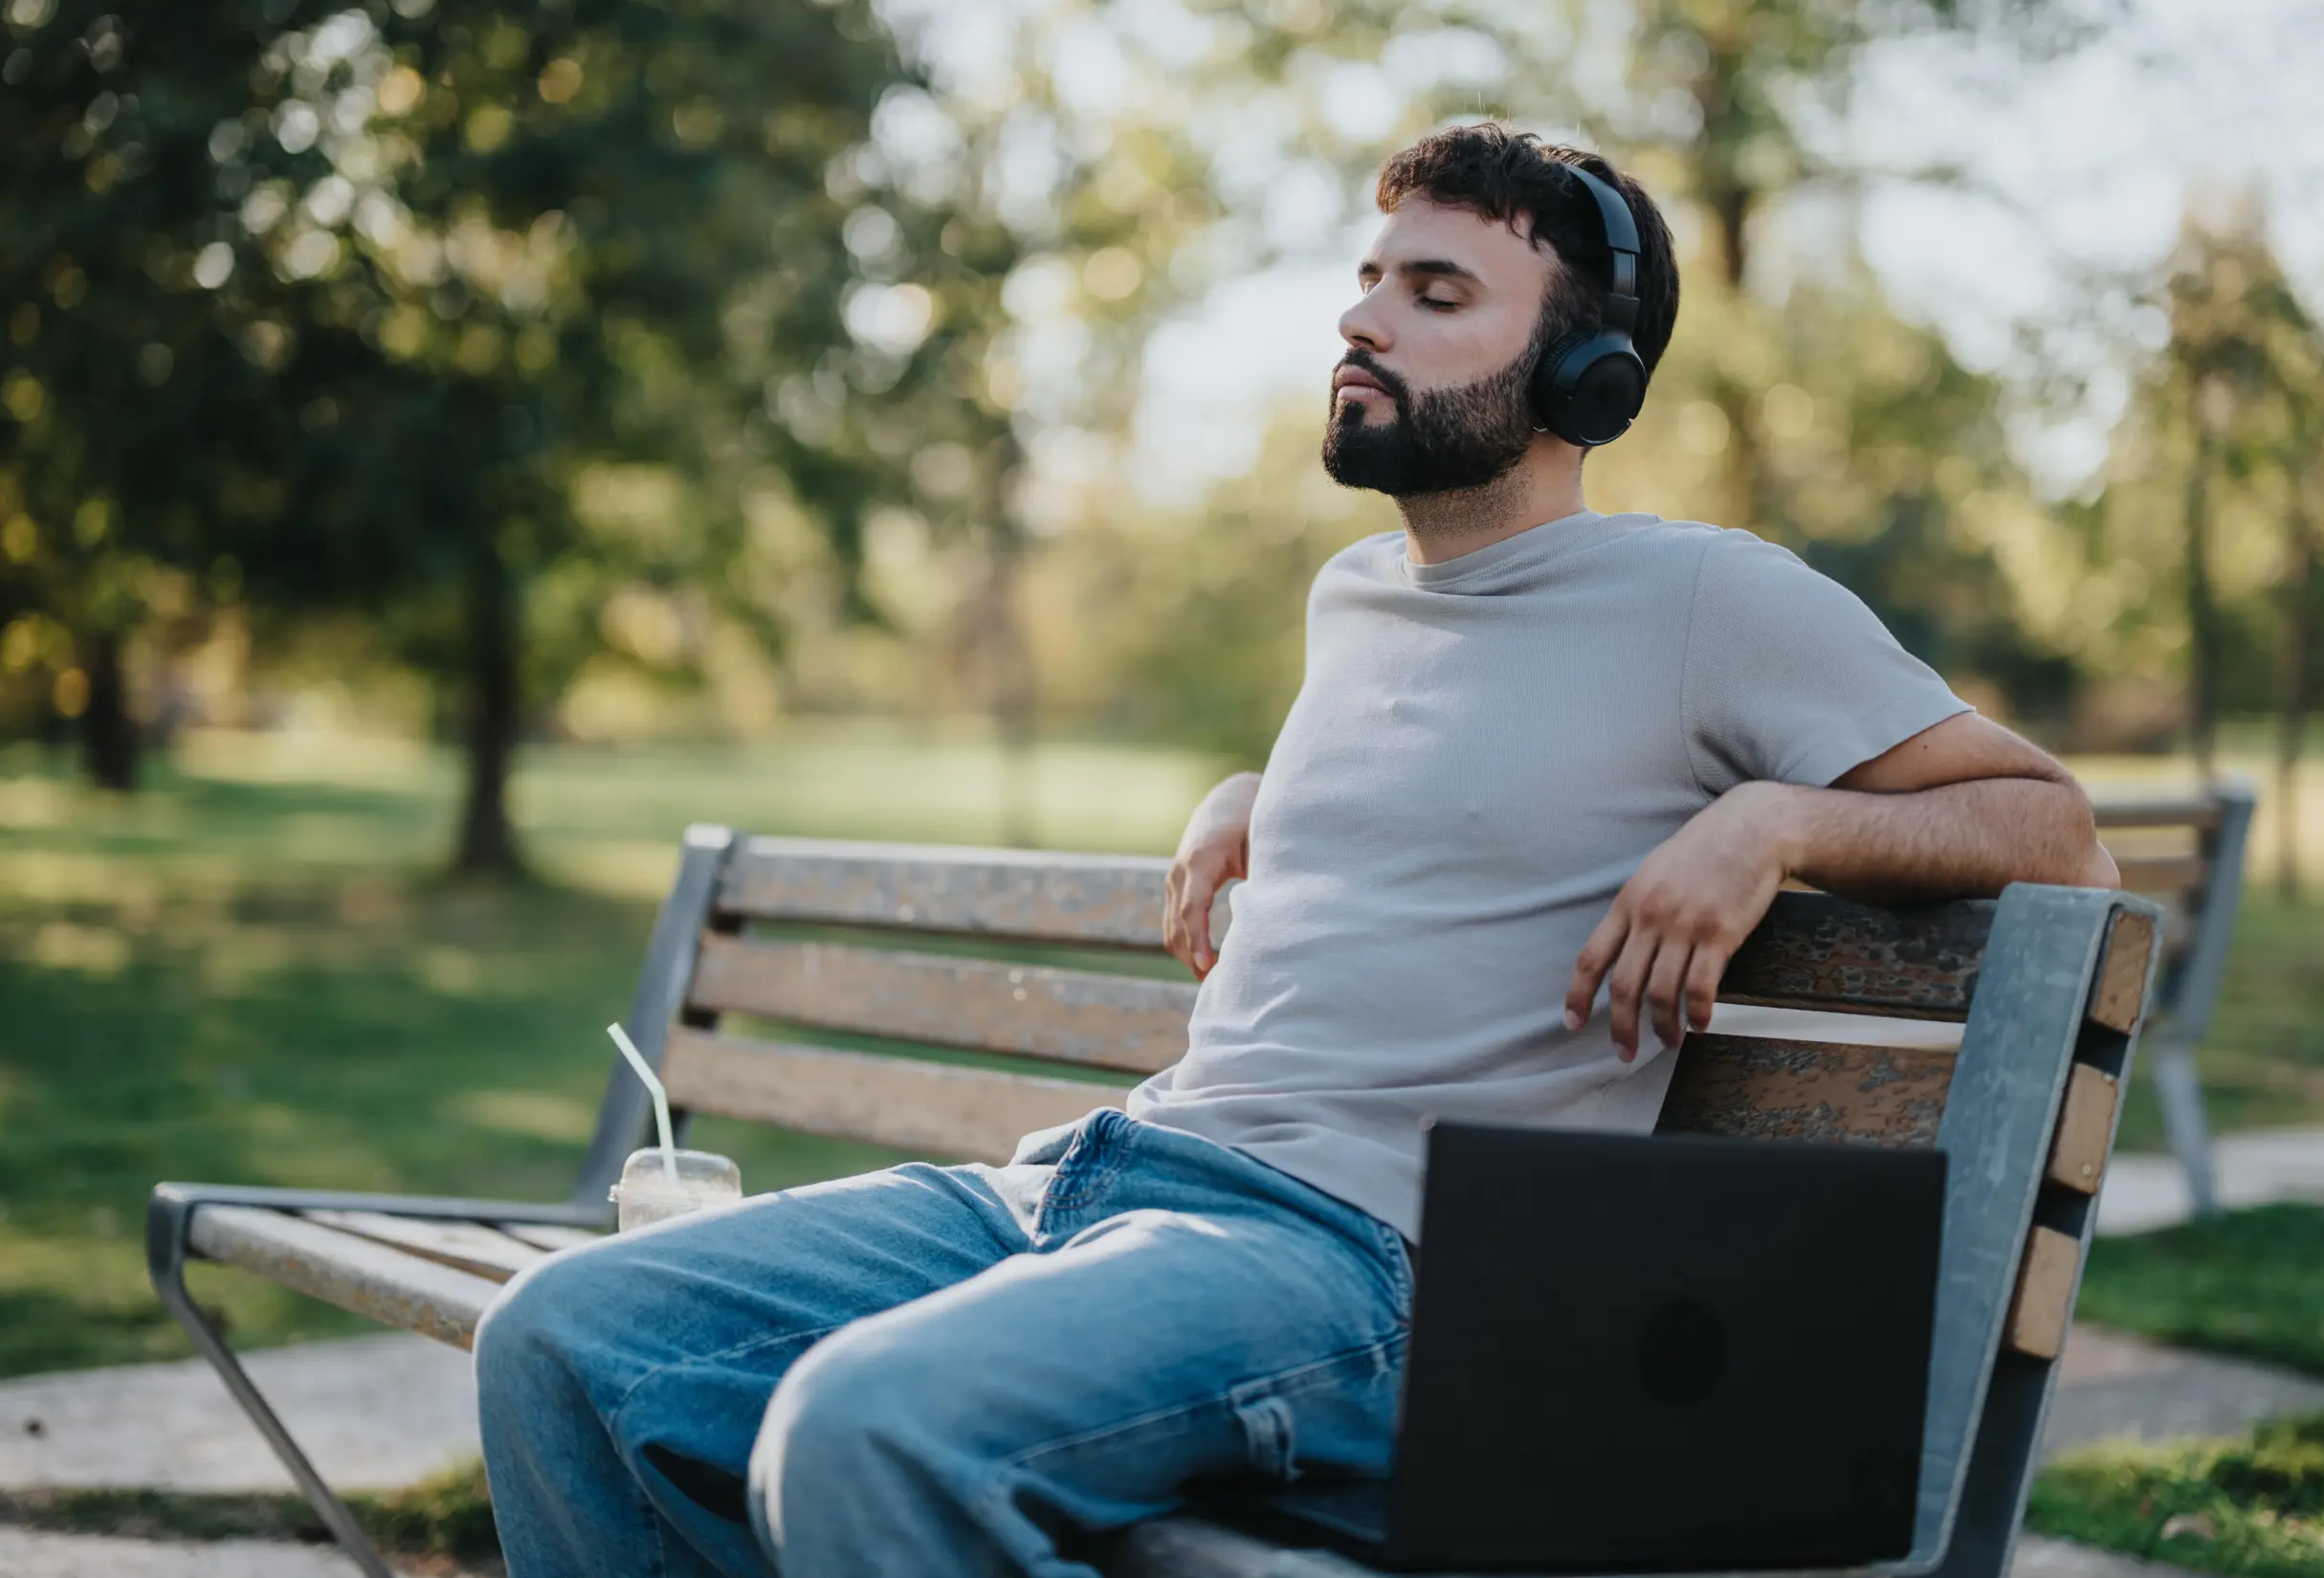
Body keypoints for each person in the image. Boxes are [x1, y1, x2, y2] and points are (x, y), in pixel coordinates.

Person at [473, 122, 2118, 1578]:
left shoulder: (1709, 599)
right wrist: (1245, 785)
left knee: (863, 1433)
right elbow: (1457, 786)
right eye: (1368, 277)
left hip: (1353, 1262)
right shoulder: (1356, 595)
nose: (1361, 317)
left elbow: (2053, 827)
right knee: (561, 1337)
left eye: (1436, 293)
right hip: (1104, 1175)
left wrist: (1776, 819)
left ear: (1583, 380)